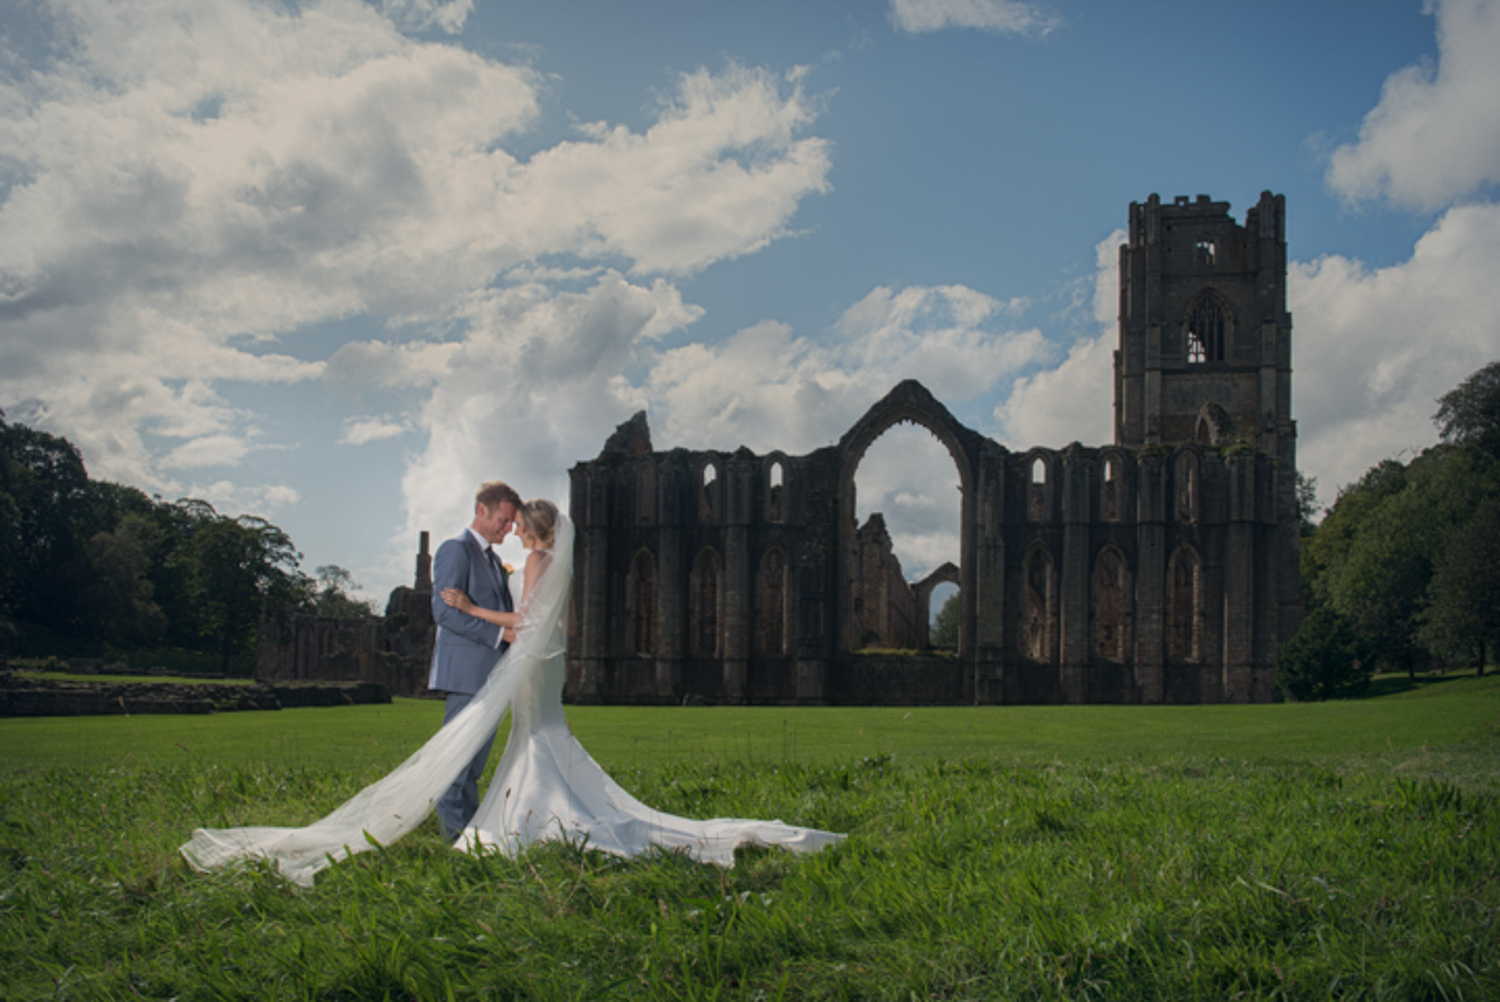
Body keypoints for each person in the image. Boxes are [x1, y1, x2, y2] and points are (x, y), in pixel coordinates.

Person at [180, 499, 842, 887]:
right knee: (540, 737)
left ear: (535, 533)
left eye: (522, 528)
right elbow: (556, 621)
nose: (516, 534)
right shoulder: (560, 563)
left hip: (528, 657)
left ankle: (526, 821)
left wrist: (473, 604)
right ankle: (536, 812)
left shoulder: (534, 562)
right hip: (547, 663)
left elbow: (521, 619)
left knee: (531, 738)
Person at [429, 480, 522, 840]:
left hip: (494, 674)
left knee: (473, 765)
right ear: (482, 510)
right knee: (456, 761)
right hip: (466, 673)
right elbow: (445, 613)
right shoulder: (456, 550)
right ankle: (454, 838)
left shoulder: (496, 561)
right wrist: (501, 636)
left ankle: (467, 835)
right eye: (504, 520)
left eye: (513, 523)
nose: (509, 529)